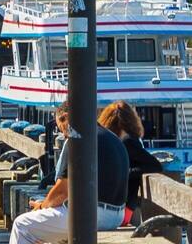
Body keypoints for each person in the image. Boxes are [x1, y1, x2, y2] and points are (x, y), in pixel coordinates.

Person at [10, 99, 130, 244]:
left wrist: (41, 207)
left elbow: (63, 191)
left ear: (65, 117)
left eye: (60, 127)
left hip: (91, 216)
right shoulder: (113, 139)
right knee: (48, 229)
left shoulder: (79, 139)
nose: (63, 134)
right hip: (117, 216)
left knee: (22, 225)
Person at [98, 101, 164, 224]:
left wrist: (123, 173)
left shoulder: (128, 141)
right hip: (124, 207)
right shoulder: (133, 139)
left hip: (122, 209)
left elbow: (155, 165)